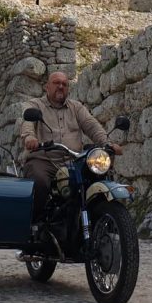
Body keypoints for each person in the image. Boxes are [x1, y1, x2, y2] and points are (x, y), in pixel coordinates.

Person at [19, 70, 122, 221]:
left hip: (73, 161)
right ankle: (35, 223)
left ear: (68, 88)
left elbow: (91, 126)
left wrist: (108, 143)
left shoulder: (76, 107)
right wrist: (30, 138)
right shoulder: (34, 105)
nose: (60, 86)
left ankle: (97, 221)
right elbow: (27, 123)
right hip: (44, 160)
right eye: (56, 83)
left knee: (94, 179)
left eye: (64, 84)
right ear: (47, 87)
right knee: (39, 182)